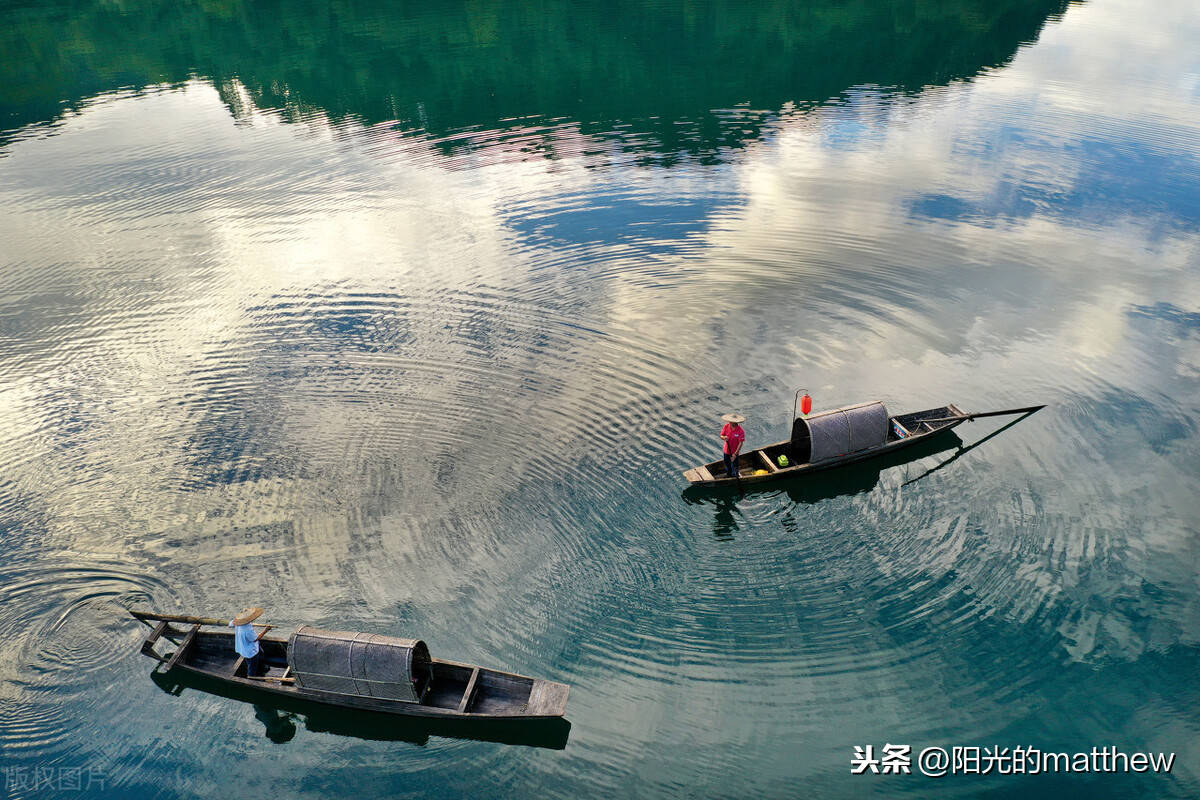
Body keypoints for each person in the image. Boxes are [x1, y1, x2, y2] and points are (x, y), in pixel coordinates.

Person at [229, 606, 268, 676]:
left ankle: (262, 667)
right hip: (250, 651)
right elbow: (256, 638)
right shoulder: (248, 630)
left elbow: (231, 624)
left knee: (261, 653)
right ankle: (251, 678)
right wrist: (265, 630)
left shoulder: (237, 622)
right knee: (252, 666)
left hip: (245, 647)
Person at [719, 413, 746, 478]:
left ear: (735, 422)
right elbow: (721, 436)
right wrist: (724, 437)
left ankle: (735, 475)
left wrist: (735, 454)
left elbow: (740, 443)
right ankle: (729, 474)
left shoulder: (740, 431)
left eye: (731, 421)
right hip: (726, 450)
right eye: (729, 421)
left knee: (735, 464)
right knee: (726, 462)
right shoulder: (726, 426)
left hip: (734, 451)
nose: (729, 422)